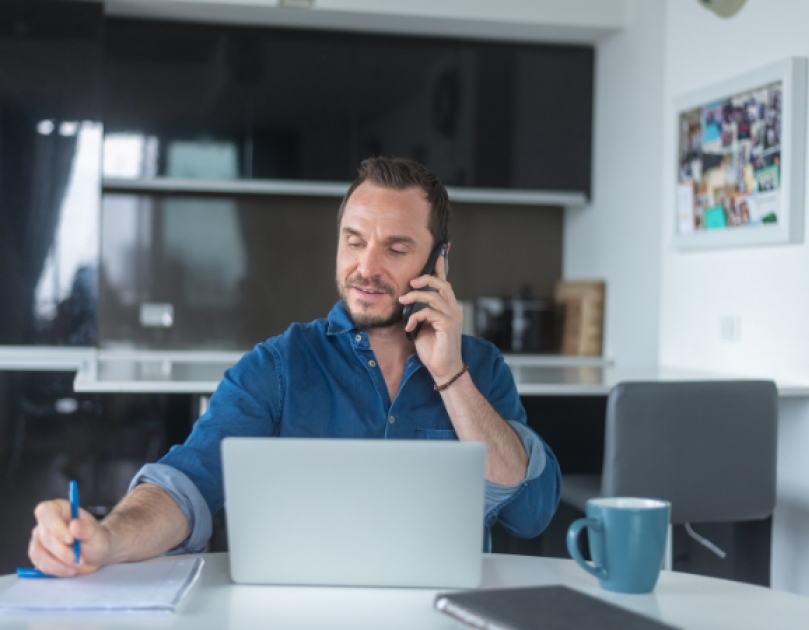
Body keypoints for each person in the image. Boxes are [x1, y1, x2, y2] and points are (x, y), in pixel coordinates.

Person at [27, 157, 562, 578]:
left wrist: (450, 375)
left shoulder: (481, 369)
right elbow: (186, 482)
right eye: (354, 242)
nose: (366, 267)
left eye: (396, 249)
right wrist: (108, 537)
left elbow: (530, 511)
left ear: (437, 263)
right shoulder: (279, 366)